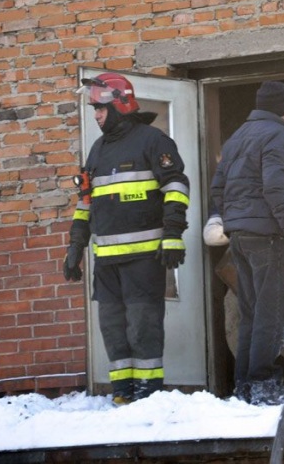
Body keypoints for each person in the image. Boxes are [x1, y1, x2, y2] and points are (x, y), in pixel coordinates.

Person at [63, 72, 190, 405]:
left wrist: (173, 234)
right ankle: (122, 392)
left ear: (120, 104)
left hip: (144, 258)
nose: (96, 115)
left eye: (100, 108)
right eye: (94, 109)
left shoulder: (152, 140)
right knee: (112, 327)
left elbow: (176, 186)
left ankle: (148, 393)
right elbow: (85, 202)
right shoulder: (98, 150)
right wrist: (76, 246)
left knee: (142, 326)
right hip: (106, 261)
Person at [210, 80, 284, 405]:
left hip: (239, 236)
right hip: (269, 236)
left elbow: (217, 188)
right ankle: (263, 384)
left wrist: (234, 221)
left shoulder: (238, 137)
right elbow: (275, 185)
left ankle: (245, 386)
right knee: (273, 313)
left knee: (252, 313)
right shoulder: (279, 135)